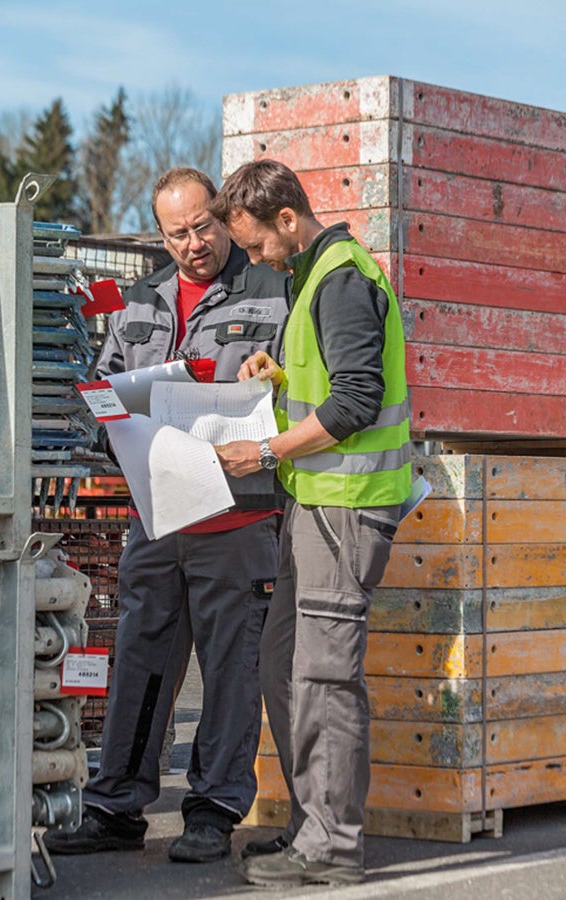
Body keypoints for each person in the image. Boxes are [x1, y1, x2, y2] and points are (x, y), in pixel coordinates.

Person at [44, 167, 289, 863]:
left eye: (203, 227)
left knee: (231, 669)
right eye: (177, 233)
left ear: (223, 219)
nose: (193, 244)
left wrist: (274, 380)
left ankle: (212, 809)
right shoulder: (142, 300)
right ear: (161, 234)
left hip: (239, 520)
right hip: (156, 517)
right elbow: (105, 386)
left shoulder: (274, 289)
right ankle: (117, 803)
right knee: (141, 659)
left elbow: (303, 381)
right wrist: (106, 416)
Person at [210, 159, 412, 887]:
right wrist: (281, 376)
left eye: (259, 244)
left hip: (346, 509)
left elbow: (357, 400)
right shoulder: (314, 276)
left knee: (325, 678)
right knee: (285, 664)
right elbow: (329, 380)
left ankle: (332, 848)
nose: (257, 258)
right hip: (317, 506)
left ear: (287, 220)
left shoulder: (341, 280)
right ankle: (311, 825)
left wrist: (264, 448)